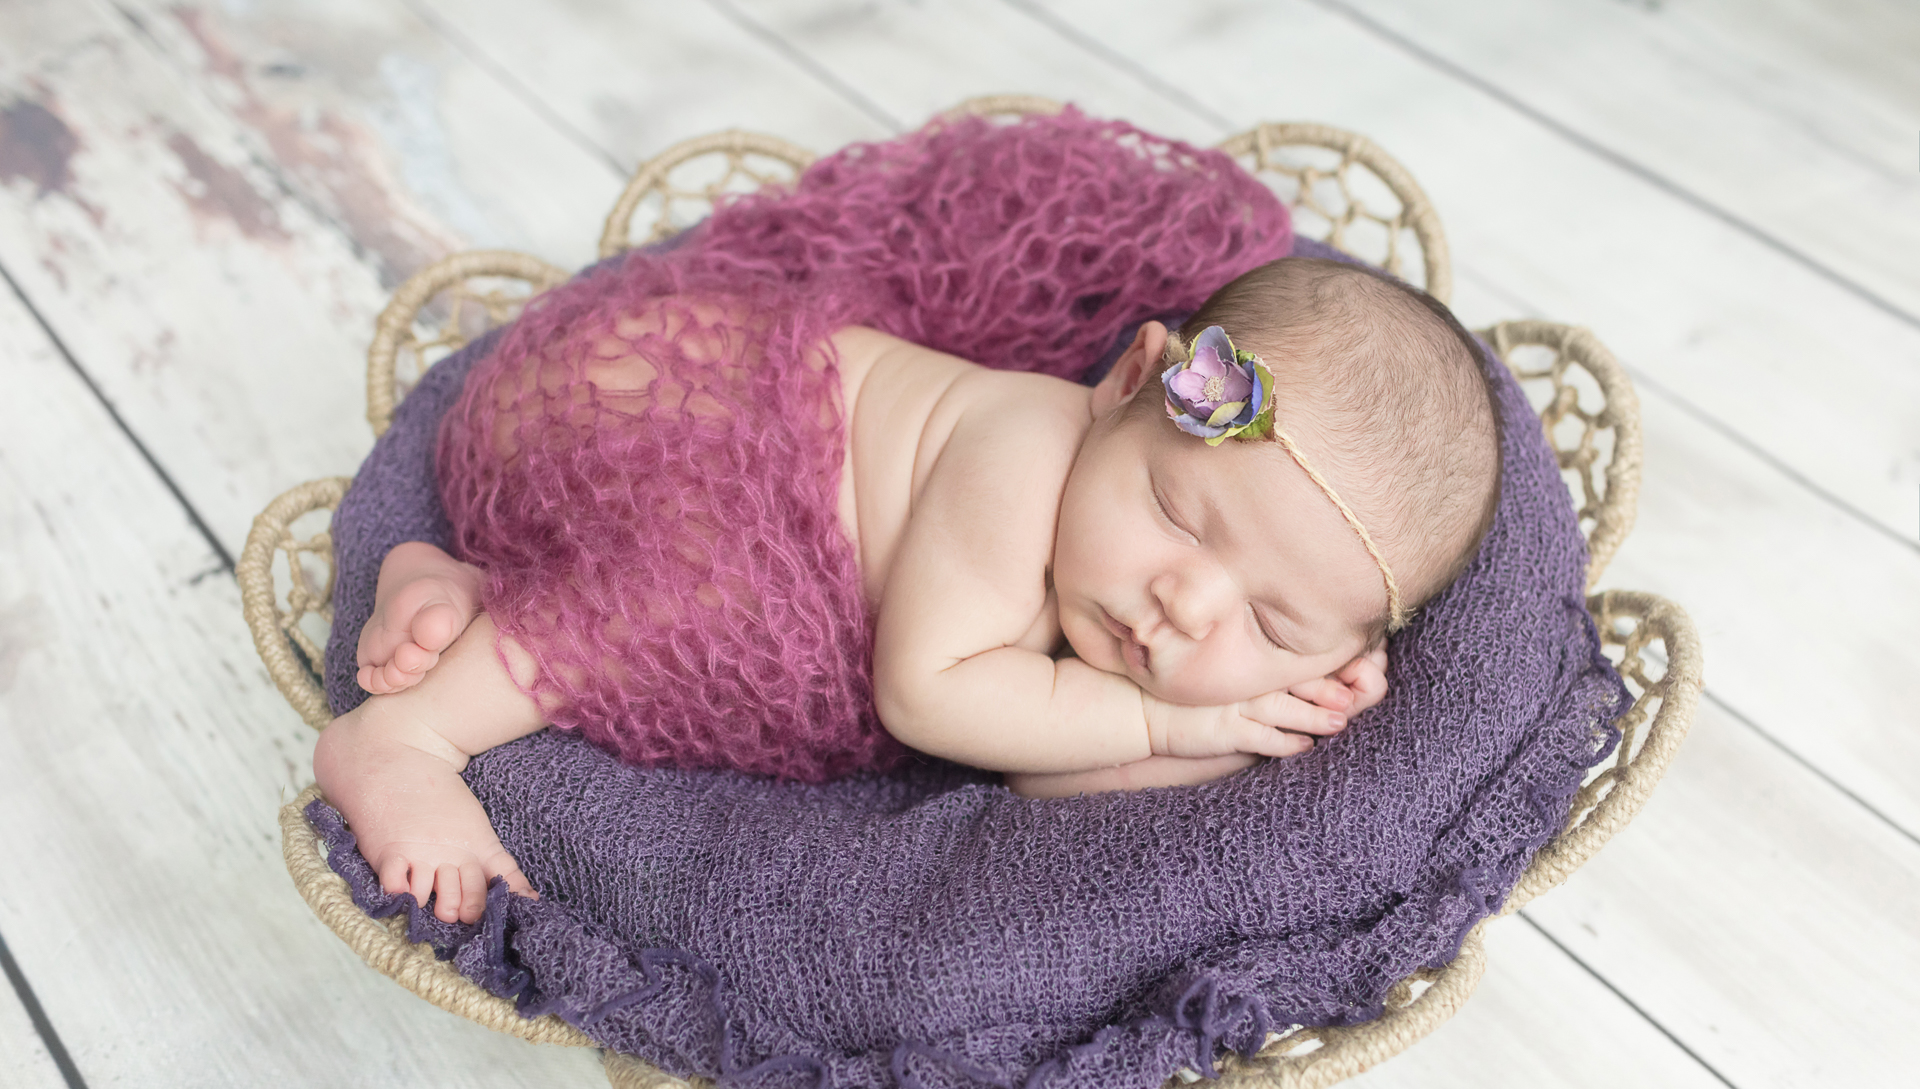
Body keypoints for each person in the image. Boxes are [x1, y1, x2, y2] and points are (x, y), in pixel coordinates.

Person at [314, 253, 1499, 926]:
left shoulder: (1118, 587)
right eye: (1178, 513)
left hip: (586, 490)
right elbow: (930, 698)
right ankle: (406, 737)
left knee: (670, 582)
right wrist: (1173, 714)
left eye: (1271, 620)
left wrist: (1258, 715)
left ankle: (460, 586)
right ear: (1128, 380)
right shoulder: (1026, 455)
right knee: (692, 598)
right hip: (650, 414)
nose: (1187, 604)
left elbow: (1047, 766)